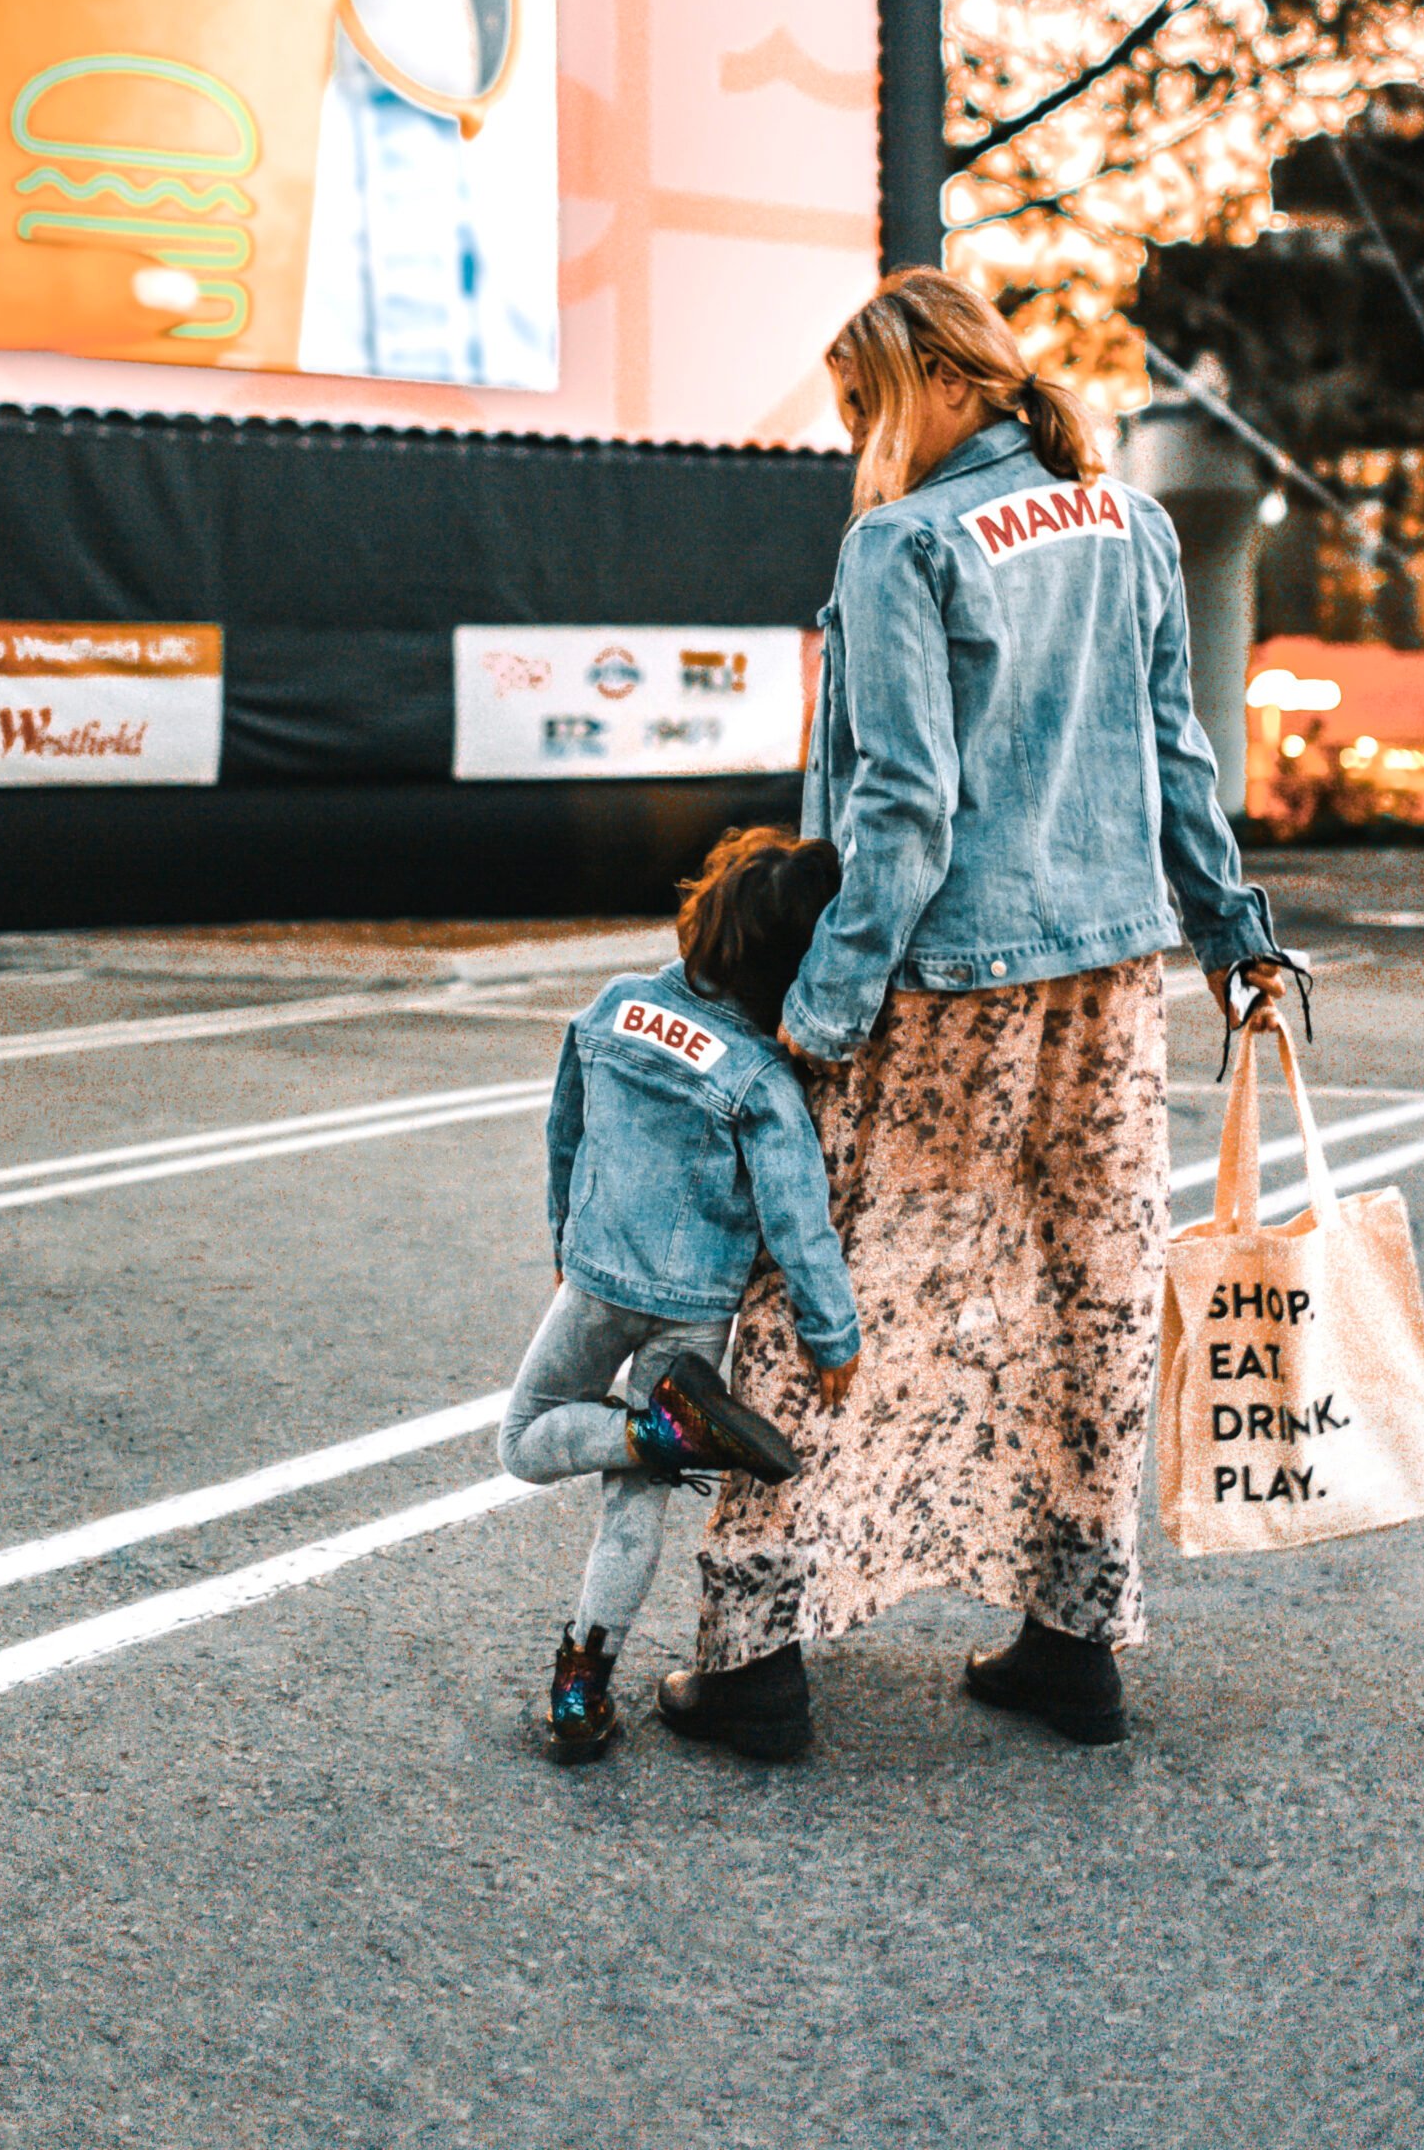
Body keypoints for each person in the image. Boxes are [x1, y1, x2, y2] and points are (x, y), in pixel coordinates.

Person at [655, 268, 1293, 1762]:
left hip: (948, 988)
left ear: (944, 379)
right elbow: (1174, 755)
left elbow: (905, 807)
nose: (866, 440)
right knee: (1090, 1290)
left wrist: (820, 1008)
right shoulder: (1127, 523)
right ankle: (1073, 1644)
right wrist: (1234, 936)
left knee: (823, 1292)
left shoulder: (904, 545)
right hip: (1114, 982)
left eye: (869, 406)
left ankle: (755, 1664)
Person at [499, 826, 862, 1761]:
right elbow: (798, 1217)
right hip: (698, 1306)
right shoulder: (763, 1078)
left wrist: (561, 1236)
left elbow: (563, 1133)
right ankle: (581, 1690)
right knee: (635, 1504)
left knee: (524, 1440)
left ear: (704, 911)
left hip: (597, 1282)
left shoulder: (614, 1009)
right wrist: (834, 1336)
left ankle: (644, 1433)